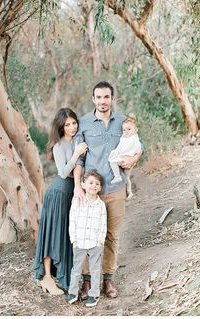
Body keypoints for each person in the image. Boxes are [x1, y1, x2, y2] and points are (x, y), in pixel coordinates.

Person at [73, 81, 142, 299]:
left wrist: (134, 158)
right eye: (99, 97)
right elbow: (79, 159)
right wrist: (78, 186)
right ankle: (87, 281)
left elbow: (140, 146)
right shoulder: (83, 124)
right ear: (93, 99)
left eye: (106, 97)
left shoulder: (123, 122)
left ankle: (107, 279)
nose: (103, 101)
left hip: (115, 188)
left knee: (112, 235)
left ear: (112, 98)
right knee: (87, 236)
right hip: (91, 191)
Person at [33, 108, 88, 295]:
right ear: (61, 127)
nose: (72, 127)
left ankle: (63, 278)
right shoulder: (58, 145)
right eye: (67, 125)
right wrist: (76, 154)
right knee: (52, 236)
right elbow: (63, 172)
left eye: (74, 123)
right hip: (57, 194)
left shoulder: (80, 140)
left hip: (70, 196)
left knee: (65, 236)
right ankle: (47, 278)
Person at [68, 170, 107, 307]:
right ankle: (72, 292)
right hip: (80, 241)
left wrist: (100, 240)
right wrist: (74, 239)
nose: (94, 186)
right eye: (91, 183)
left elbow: (103, 223)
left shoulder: (100, 205)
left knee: (95, 270)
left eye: (97, 184)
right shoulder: (77, 201)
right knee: (77, 269)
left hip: (94, 242)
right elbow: (72, 220)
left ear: (100, 188)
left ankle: (94, 294)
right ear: (83, 185)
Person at [108, 114, 142, 200]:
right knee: (127, 177)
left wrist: (134, 157)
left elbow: (138, 148)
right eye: (124, 130)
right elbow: (120, 146)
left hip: (126, 158)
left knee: (112, 162)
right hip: (124, 158)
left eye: (129, 129)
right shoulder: (124, 138)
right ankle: (129, 192)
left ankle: (117, 176)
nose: (126, 132)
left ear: (136, 130)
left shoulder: (134, 139)